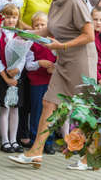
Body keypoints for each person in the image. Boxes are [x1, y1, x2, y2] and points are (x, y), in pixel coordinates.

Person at [8, 0, 96, 169]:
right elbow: (50, 29)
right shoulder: (57, 0)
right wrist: (25, 35)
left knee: (83, 109)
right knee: (49, 103)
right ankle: (36, 152)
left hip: (80, 61)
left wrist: (63, 46)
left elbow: (89, 35)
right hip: (65, 59)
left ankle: (90, 156)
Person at [0, 0, 26, 154]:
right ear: (3, 18)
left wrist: (17, 70)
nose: (11, 20)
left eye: (14, 17)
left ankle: (13, 139)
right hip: (3, 76)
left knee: (15, 109)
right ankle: (5, 140)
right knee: (4, 109)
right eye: (8, 17)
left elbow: (24, 55)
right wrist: (5, 76)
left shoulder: (20, 35)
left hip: (16, 77)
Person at [25, 12, 57, 154]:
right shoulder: (32, 43)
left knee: (51, 113)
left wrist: (54, 67)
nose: (40, 27)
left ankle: (49, 141)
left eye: (42, 25)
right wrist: (40, 63)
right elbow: (28, 65)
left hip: (52, 82)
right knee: (37, 111)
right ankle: (34, 140)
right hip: (37, 82)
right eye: (36, 25)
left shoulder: (54, 42)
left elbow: (60, 59)